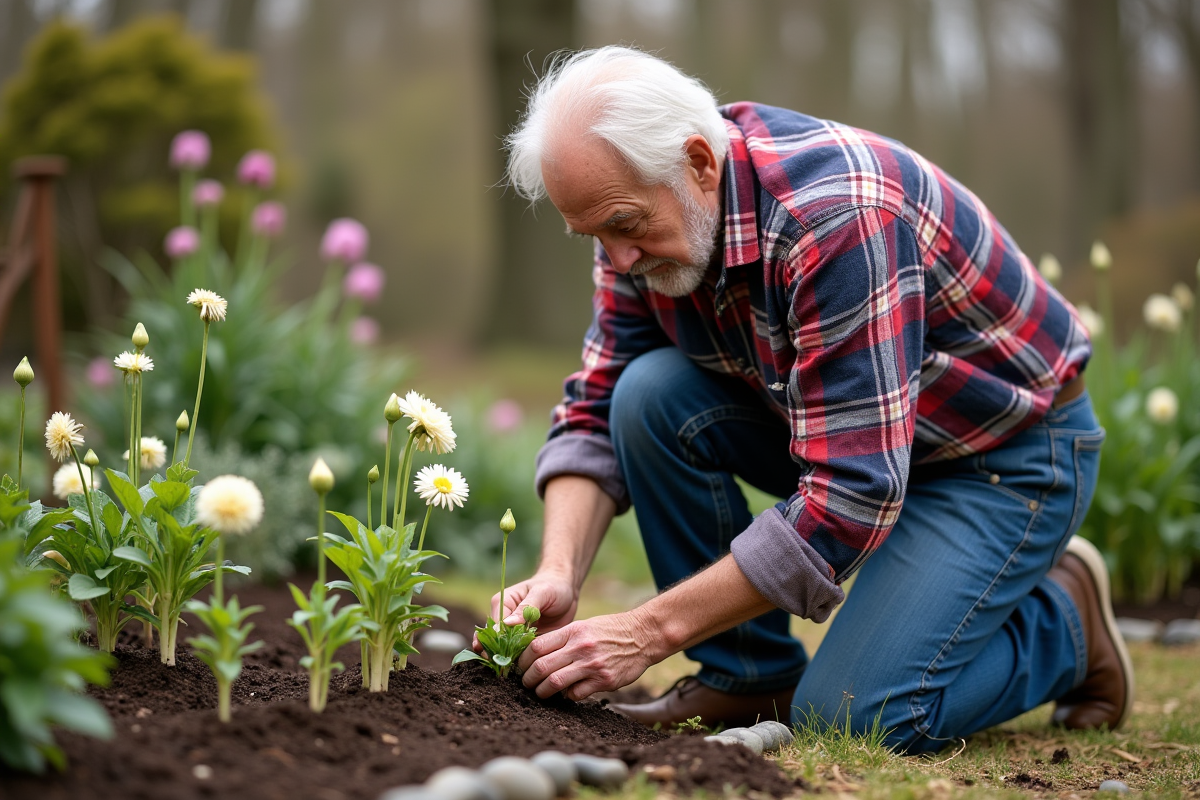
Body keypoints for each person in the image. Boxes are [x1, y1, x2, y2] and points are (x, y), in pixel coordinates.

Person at [485, 45, 1132, 753]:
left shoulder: (836, 219)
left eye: (625, 225)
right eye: (595, 236)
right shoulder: (639, 215)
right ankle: (745, 676)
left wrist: (647, 632)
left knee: (857, 717)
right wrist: (558, 570)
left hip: (1003, 457)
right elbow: (596, 407)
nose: (619, 259)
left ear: (699, 163)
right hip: (857, 437)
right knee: (646, 395)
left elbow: (851, 495)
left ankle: (1067, 622)